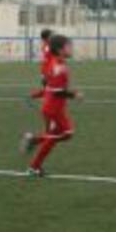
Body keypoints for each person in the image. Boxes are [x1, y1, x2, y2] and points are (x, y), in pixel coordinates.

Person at [22, 33, 81, 177]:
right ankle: (34, 165)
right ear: (61, 50)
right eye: (68, 46)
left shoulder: (58, 63)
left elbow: (49, 87)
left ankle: (34, 144)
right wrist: (74, 95)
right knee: (65, 134)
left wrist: (37, 94)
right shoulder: (57, 67)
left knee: (60, 135)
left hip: (55, 108)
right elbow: (57, 92)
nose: (71, 48)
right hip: (53, 110)